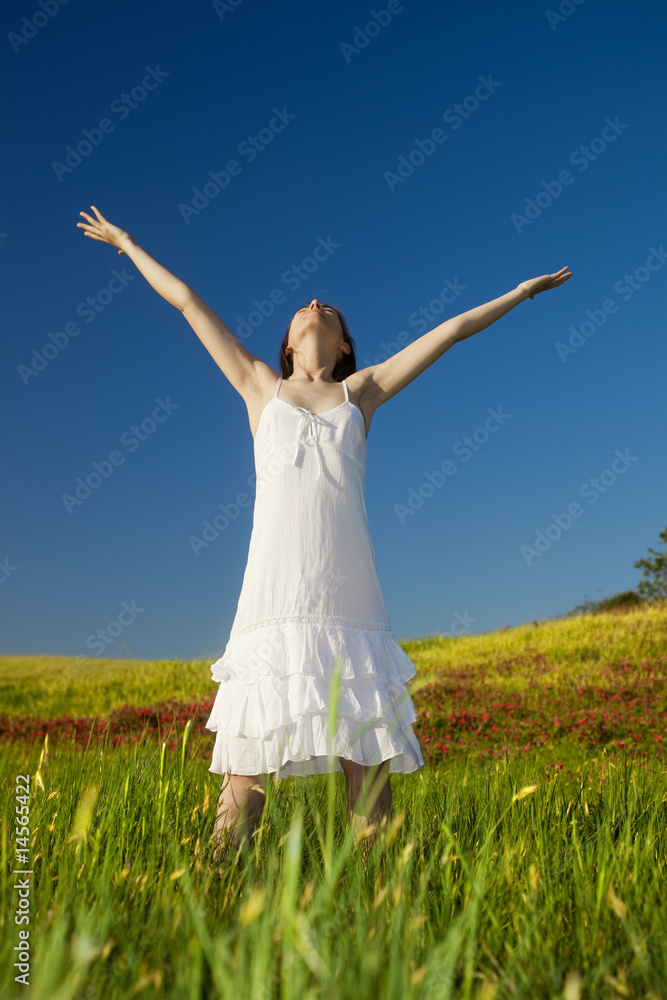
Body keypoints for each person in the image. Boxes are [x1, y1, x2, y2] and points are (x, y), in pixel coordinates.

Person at [77, 205, 572, 860]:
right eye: (303, 308)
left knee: (365, 767)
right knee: (245, 775)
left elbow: (449, 331)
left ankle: (382, 913)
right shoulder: (260, 387)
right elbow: (188, 303)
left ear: (342, 347)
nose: (313, 303)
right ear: (288, 345)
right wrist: (130, 243)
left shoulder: (360, 393)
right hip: (272, 600)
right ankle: (215, 887)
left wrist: (519, 292)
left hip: (347, 601)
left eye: (329, 311)